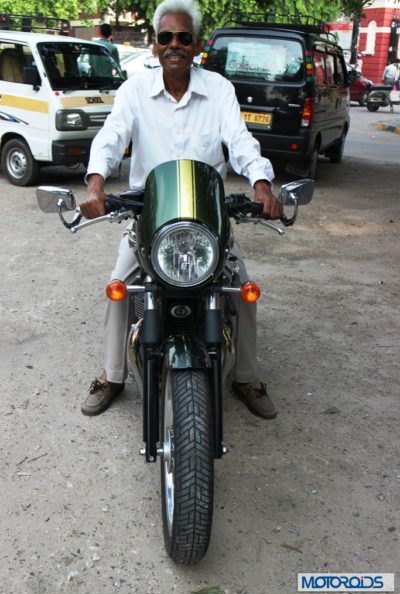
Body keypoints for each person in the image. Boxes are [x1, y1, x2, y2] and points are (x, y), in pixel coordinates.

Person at [79, 0, 283, 420]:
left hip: (209, 219)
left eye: (183, 37)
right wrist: (96, 181)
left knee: (242, 291)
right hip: (150, 218)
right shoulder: (135, 90)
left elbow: (241, 142)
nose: (175, 44)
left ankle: (245, 377)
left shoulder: (219, 90)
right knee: (120, 286)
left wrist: (262, 185)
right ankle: (113, 375)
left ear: (197, 45)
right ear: (154, 45)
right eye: (166, 37)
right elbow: (112, 134)